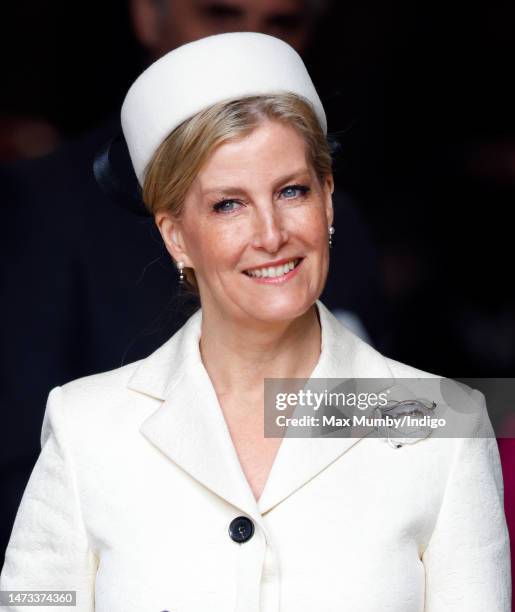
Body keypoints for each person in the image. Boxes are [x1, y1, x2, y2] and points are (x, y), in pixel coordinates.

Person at [3, 32, 508, 611]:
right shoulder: (86, 425)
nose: (271, 235)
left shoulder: (442, 422)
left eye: (292, 191)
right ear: (175, 235)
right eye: (228, 204)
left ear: (328, 199)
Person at [0, 0, 387, 561]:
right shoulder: (44, 208)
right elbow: (22, 478)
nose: (271, 234)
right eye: (221, 15)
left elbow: (388, 425)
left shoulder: (336, 224)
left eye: (283, 23)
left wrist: (468, 423)